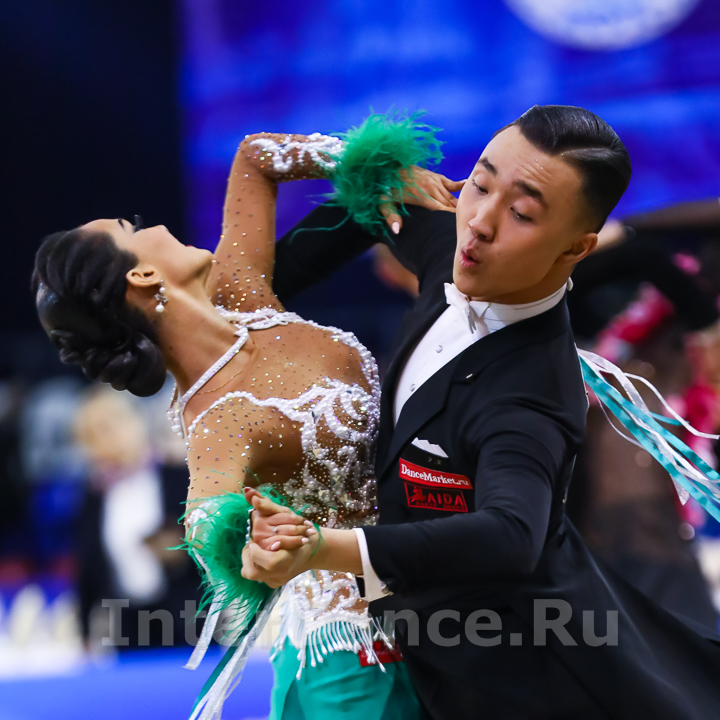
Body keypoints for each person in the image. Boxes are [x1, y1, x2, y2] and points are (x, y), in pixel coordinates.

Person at [244, 105, 720, 720]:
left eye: (521, 213)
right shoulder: (456, 246)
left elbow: (510, 535)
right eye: (480, 182)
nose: (480, 222)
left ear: (577, 248)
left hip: (524, 681)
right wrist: (249, 301)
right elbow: (369, 202)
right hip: (407, 650)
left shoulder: (530, 393)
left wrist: (322, 549)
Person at [32, 115, 460, 719]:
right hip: (356, 656)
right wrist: (248, 547)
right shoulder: (217, 417)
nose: (154, 224)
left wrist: (381, 169)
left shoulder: (242, 295)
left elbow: (256, 155)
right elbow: (209, 523)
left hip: (438, 608)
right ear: (142, 275)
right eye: (133, 228)